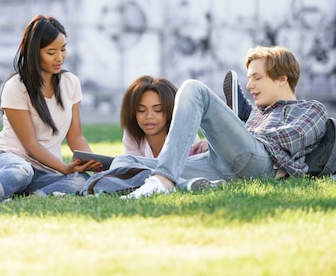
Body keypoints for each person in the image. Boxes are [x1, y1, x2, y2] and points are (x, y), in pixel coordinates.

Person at [118, 45, 328, 199]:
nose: (249, 85)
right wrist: (220, 142)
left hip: (261, 163)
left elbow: (291, 139)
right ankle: (189, 184)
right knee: (125, 162)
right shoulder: (259, 112)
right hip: (219, 164)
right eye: (248, 78)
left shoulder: (311, 109)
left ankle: (163, 181)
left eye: (257, 77)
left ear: (282, 79)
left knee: (193, 88)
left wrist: (228, 134)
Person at [0, 15, 101, 209]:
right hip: (11, 161)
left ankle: (33, 196)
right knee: (23, 171)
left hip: (46, 170)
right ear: (33, 53)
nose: (60, 57)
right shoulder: (16, 87)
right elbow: (30, 143)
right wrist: (63, 167)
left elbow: (76, 136)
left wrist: (94, 165)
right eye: (51, 52)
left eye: (63, 49)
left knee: (81, 180)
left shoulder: (71, 83)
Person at [120, 75, 206, 158]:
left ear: (171, 111)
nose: (149, 116)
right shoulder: (132, 133)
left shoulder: (184, 131)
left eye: (158, 110)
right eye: (141, 110)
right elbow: (135, 168)